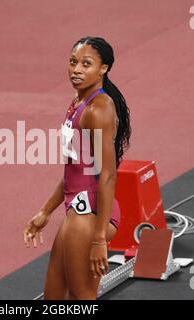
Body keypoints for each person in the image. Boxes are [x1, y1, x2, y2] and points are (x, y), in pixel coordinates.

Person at [23, 36, 131, 300]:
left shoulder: (98, 110)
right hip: (76, 209)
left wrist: (98, 240)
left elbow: (107, 176)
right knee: (54, 296)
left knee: (81, 298)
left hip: (91, 214)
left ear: (103, 68)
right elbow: (76, 167)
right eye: (73, 62)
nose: (76, 70)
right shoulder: (77, 102)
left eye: (86, 64)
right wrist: (45, 211)